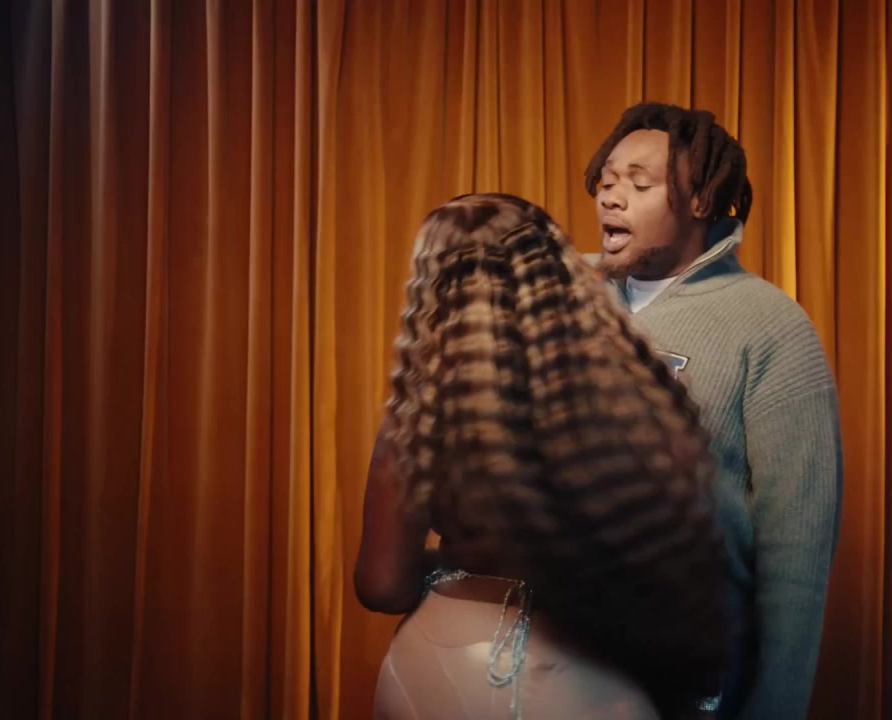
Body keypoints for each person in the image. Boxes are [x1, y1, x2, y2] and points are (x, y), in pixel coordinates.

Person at [354, 192, 731, 720]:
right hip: (583, 678)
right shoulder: (635, 387)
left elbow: (383, 586)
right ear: (555, 274)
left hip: (435, 671)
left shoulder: (420, 408)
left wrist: (460, 565)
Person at [583, 102, 843, 720]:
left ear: (700, 199)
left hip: (688, 686)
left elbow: (798, 553)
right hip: (552, 677)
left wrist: (777, 707)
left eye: (639, 184)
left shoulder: (771, 327)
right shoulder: (558, 295)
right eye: (608, 180)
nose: (611, 197)